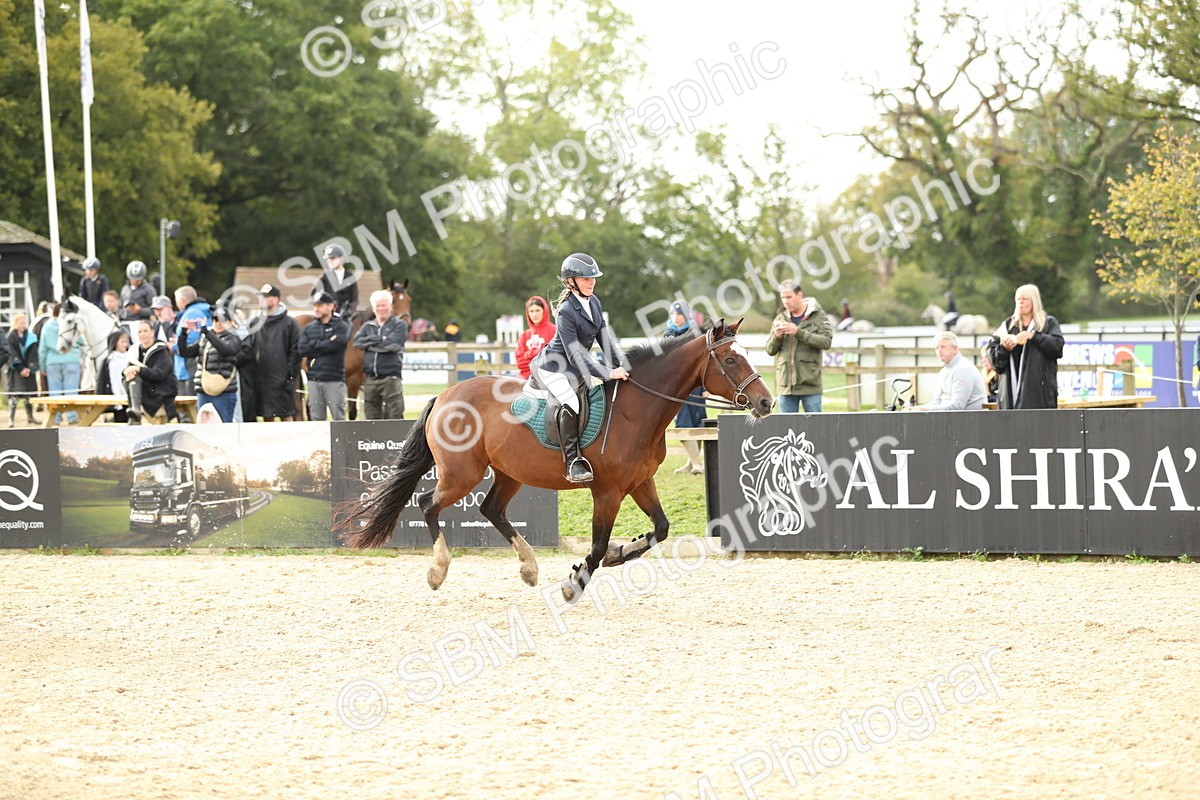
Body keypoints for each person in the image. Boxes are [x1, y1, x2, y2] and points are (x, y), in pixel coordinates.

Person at [532, 252, 629, 483]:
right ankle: (573, 462)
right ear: (571, 282)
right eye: (586, 278)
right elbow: (575, 354)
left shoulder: (594, 302)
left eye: (593, 278)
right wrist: (607, 372)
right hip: (553, 368)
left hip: (575, 369)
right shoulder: (566, 311)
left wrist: (623, 366)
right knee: (572, 402)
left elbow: (605, 340)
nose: (592, 282)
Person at [988, 283, 1064, 410]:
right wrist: (1004, 349)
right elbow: (996, 364)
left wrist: (1034, 337)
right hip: (1009, 397)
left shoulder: (1048, 323)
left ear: (1034, 301)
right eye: (1018, 299)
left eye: (1025, 299)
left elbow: (1057, 348)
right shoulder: (1007, 326)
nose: (1020, 302)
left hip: (1039, 395)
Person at [766, 279, 832, 413]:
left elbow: (826, 342)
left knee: (815, 427)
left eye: (789, 297)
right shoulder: (780, 318)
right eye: (783, 297)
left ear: (800, 295)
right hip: (785, 387)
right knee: (786, 429)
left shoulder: (818, 315)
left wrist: (799, 333)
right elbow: (770, 350)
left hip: (810, 385)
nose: (785, 301)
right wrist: (777, 337)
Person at [178, 305, 242, 423]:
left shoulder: (234, 338)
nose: (218, 323)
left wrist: (207, 332)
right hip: (204, 391)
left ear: (230, 322)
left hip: (224, 392)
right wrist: (183, 333)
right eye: (215, 320)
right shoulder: (206, 338)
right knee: (204, 429)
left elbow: (226, 350)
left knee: (223, 428)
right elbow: (185, 352)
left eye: (222, 320)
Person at [664, 300, 707, 474]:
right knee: (683, 422)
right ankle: (696, 464)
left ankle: (692, 462)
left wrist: (704, 386)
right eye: (673, 314)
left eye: (679, 314)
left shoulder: (695, 333)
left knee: (698, 422)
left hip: (695, 386)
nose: (676, 318)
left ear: (686, 315)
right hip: (677, 388)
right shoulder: (668, 334)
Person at [353, 289, 408, 419]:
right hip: (370, 379)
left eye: (384, 305)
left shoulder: (399, 325)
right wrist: (378, 339)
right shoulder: (367, 326)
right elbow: (357, 342)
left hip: (391, 378)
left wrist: (369, 345)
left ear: (391, 307)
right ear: (373, 308)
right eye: (378, 305)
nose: (381, 308)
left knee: (394, 415)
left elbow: (393, 346)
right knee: (371, 417)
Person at [298, 291, 351, 421]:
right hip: (314, 379)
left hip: (334, 379)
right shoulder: (309, 328)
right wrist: (326, 343)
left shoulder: (341, 326)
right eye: (315, 305)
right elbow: (302, 349)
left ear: (331, 307)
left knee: (339, 418)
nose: (316, 309)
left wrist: (314, 345)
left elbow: (338, 344)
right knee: (316, 419)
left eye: (320, 305)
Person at [251, 284, 301, 422]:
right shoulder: (255, 323)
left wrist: (290, 373)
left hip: (282, 379)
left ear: (275, 300)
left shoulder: (290, 323)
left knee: (286, 414)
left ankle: (290, 443)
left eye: (265, 297)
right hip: (261, 379)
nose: (261, 300)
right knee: (267, 415)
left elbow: (296, 350)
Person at [915, 332, 986, 411]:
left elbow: (958, 405)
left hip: (970, 420)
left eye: (943, 347)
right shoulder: (943, 371)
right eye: (937, 347)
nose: (939, 350)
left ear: (955, 349)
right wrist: (917, 408)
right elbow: (936, 402)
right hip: (950, 418)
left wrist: (925, 409)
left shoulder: (963, 369)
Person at [124, 320, 178, 424]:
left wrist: (139, 369)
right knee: (131, 377)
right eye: (140, 332)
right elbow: (129, 368)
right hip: (143, 390)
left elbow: (159, 374)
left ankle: (136, 412)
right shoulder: (134, 350)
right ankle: (135, 412)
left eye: (145, 331)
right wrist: (127, 372)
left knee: (136, 374)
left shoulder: (161, 351)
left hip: (160, 390)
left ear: (152, 332)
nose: (142, 334)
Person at [39, 304, 82, 425]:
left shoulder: (47, 326)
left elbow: (42, 349)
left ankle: (56, 417)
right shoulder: (71, 324)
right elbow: (80, 341)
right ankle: (72, 416)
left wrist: (42, 366)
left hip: (52, 361)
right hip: (71, 360)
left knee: (55, 392)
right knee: (71, 390)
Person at [173, 286, 212, 412]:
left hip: (189, 363)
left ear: (182, 300)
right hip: (193, 363)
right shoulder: (201, 311)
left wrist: (173, 346)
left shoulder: (192, 314)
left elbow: (192, 340)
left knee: (188, 406)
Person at [6, 313, 40, 427]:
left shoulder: (31, 337)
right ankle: (11, 419)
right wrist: (20, 368)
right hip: (15, 371)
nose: (23, 325)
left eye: (24, 323)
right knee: (14, 395)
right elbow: (11, 353)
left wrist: (30, 368)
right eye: (21, 323)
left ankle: (30, 417)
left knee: (28, 394)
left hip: (28, 371)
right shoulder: (10, 338)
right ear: (15, 324)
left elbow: (34, 354)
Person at [315, 244, 359, 322]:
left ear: (342, 259)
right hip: (328, 316)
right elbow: (315, 294)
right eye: (328, 259)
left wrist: (349, 311)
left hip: (345, 315)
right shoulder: (325, 276)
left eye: (332, 258)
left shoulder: (350, 276)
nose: (329, 261)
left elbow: (354, 299)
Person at [515, 296, 555, 380]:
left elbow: (553, 358)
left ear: (544, 311)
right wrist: (540, 353)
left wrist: (529, 354)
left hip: (548, 377)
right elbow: (520, 363)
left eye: (537, 310)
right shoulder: (524, 335)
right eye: (531, 311)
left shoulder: (554, 331)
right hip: (525, 378)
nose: (534, 314)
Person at [96, 329, 132, 423]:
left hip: (130, 396)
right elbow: (114, 381)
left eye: (126, 342)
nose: (125, 344)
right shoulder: (112, 360)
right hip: (119, 398)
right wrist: (118, 401)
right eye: (122, 342)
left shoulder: (130, 356)